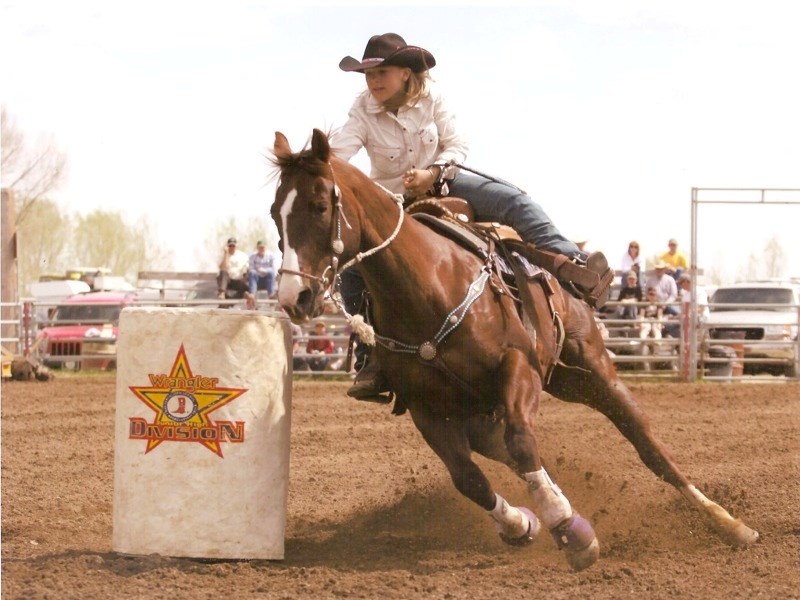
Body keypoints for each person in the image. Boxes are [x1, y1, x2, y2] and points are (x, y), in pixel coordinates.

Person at [330, 32, 613, 399]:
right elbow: (337, 154)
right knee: (354, 266)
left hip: (446, 182)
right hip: (391, 200)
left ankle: (577, 268)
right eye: (368, 74)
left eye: (382, 71)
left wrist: (432, 174)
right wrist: (311, 164)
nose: (374, 80)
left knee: (514, 202)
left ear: (405, 73)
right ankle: (372, 354)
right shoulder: (361, 110)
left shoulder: (433, 99)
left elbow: (457, 143)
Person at [246, 240, 278, 309]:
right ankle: (252, 295)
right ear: (257, 248)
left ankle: (271, 294)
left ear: (266, 248)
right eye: (260, 248)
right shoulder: (252, 256)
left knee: (271, 273)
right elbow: (251, 268)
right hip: (257, 280)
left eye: (263, 247)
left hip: (268, 280)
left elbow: (274, 270)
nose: (262, 249)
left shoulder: (271, 256)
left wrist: (261, 270)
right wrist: (262, 271)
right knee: (252, 273)